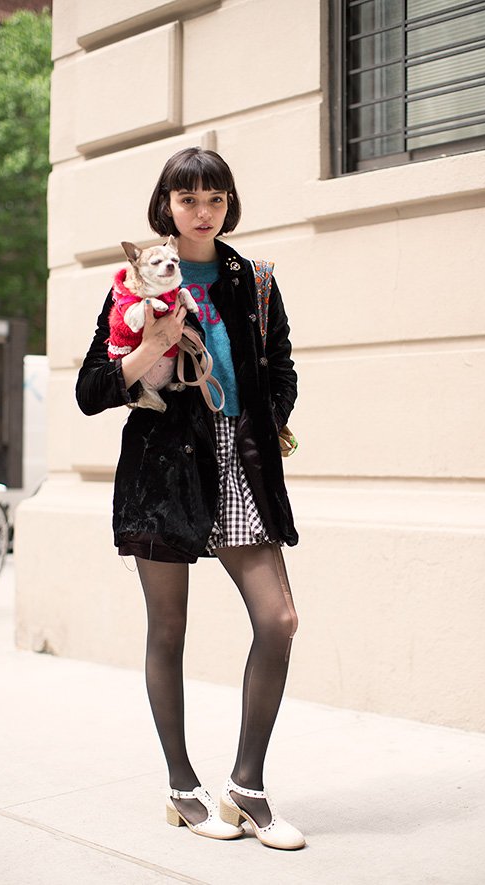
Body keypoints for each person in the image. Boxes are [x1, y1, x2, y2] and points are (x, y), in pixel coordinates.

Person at [76, 147, 304, 850]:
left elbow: (282, 366)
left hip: (240, 459)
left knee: (280, 619)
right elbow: (92, 390)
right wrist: (152, 348)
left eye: (214, 198)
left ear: (228, 204)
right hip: (165, 468)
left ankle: (247, 784)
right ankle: (182, 784)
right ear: (166, 206)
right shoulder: (134, 281)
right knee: (168, 630)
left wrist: (265, 420)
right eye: (188, 200)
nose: (202, 211)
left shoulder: (253, 278)